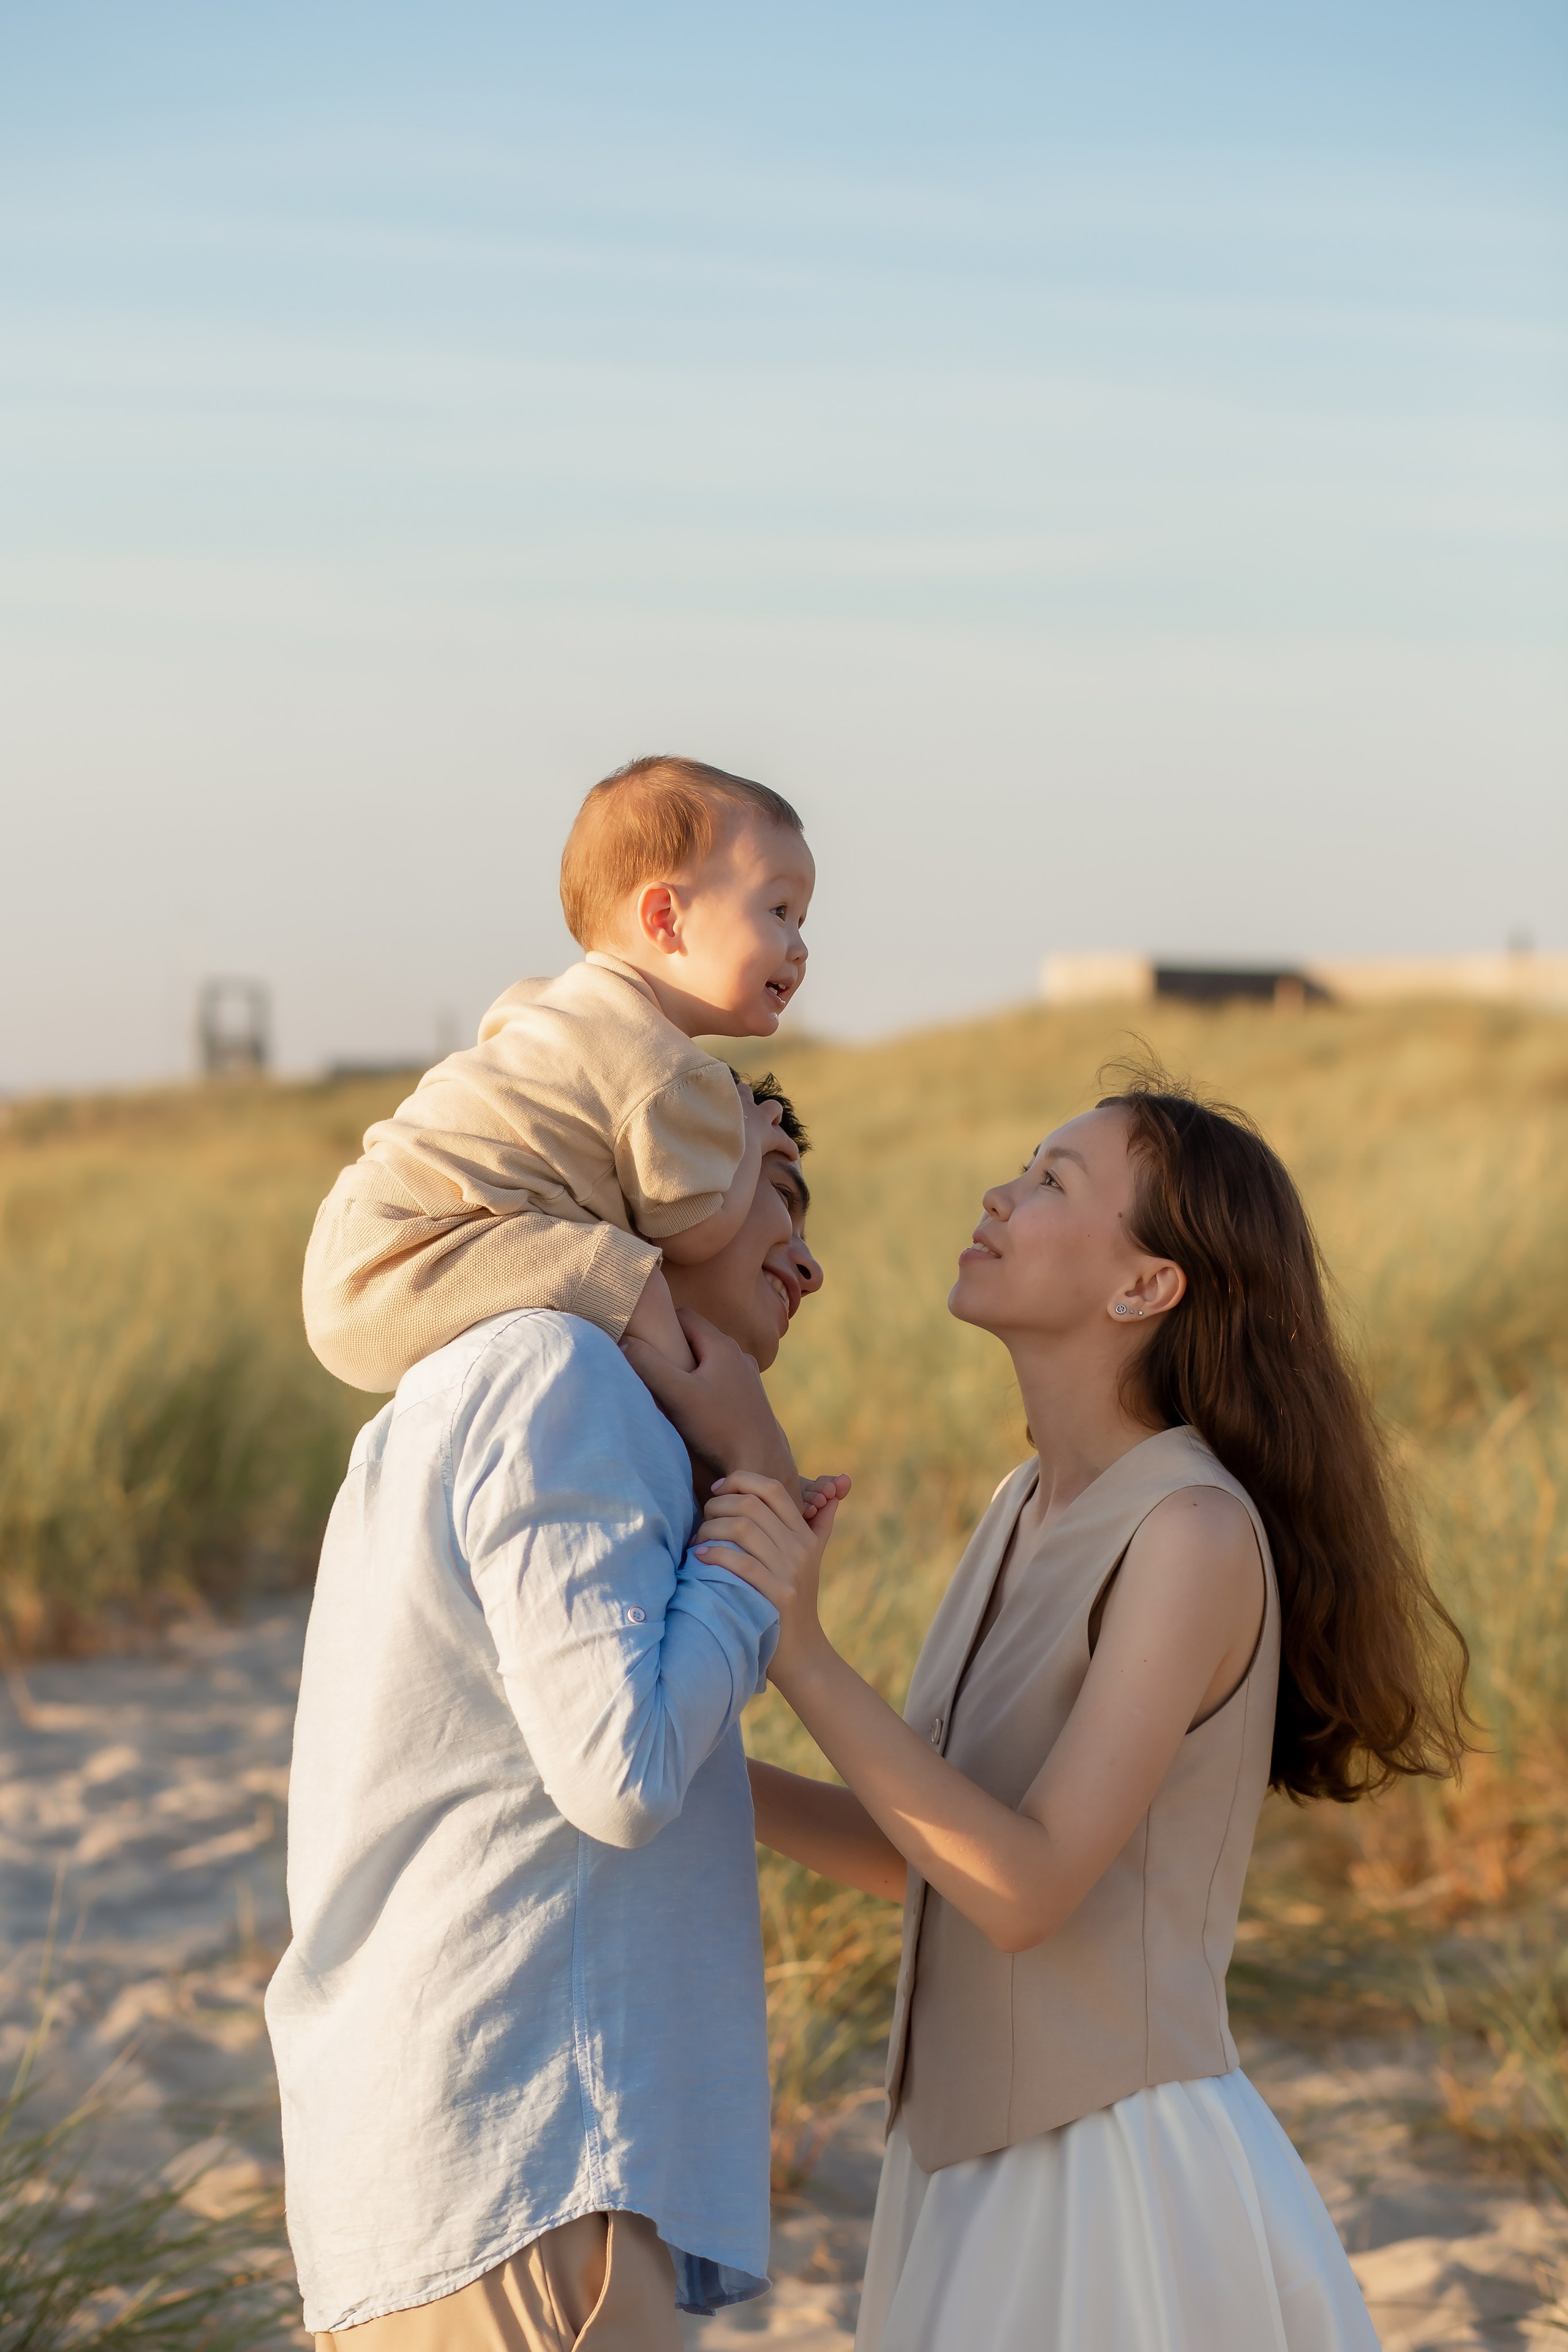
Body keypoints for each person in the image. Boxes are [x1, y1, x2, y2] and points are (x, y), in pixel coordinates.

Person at [635, 1073, 1469, 2352]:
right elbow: (934, 1861)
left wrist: (800, 1651)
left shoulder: (1191, 1531)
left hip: (1108, 2181)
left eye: (1050, 1182)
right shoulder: (1018, 1506)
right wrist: (673, 1757)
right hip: (954, 2164)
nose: (997, 1194)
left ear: (1145, 1286)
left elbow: (1025, 1894)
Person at [266, 1093, 844, 2348]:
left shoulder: (493, 1375)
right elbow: (622, 1776)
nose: (807, 1260)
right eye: (776, 1188)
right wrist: (752, 1546)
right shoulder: (557, 1376)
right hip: (528, 2169)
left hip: (467, 2168)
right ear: (656, 1170)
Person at [301, 754, 816, 1394]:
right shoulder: (664, 1066)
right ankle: (713, 1430)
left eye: (801, 920)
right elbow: (694, 1233)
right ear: (665, 919)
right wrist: (750, 1145)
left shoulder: (550, 1005)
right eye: (778, 911)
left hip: (357, 1239)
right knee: (629, 1281)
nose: (800, 947)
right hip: (415, 1250)